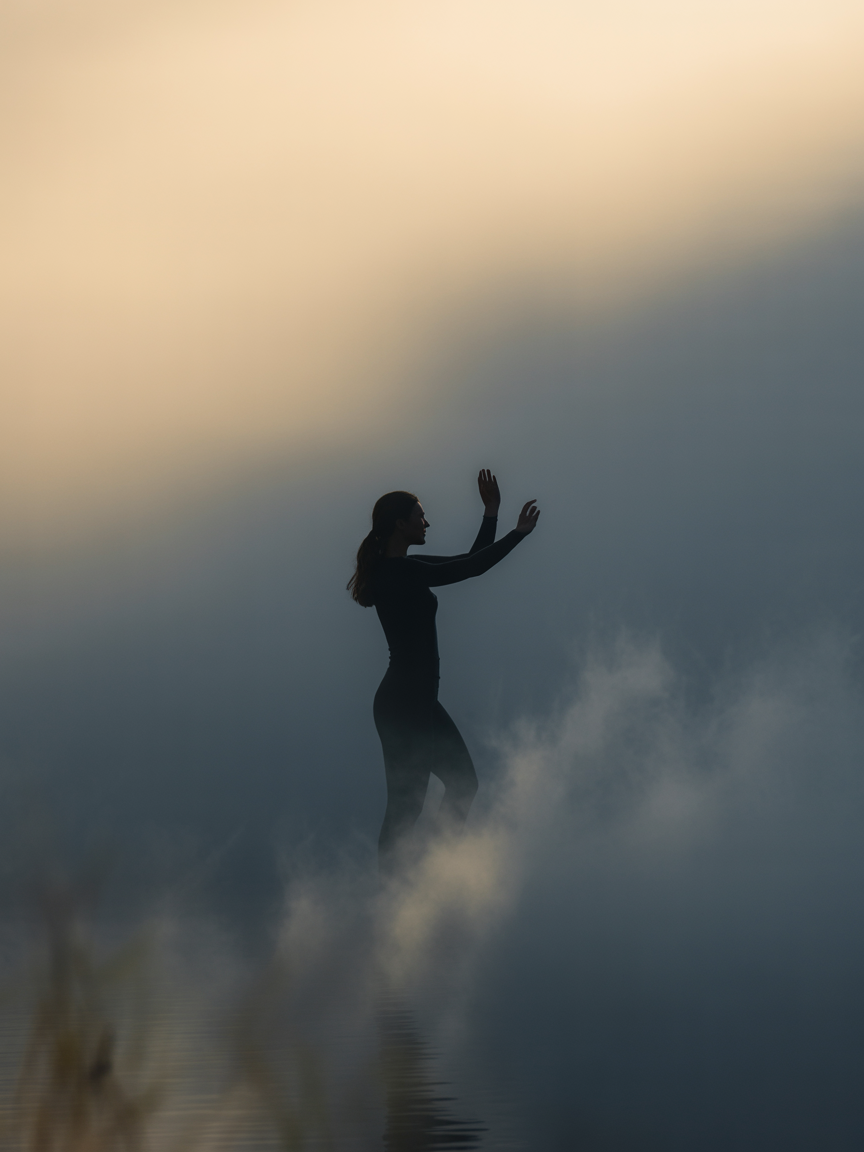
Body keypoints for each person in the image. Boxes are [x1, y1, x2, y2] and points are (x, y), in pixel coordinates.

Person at [348, 470, 540, 874]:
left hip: (415, 700)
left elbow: (468, 563)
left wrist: (490, 513)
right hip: (404, 704)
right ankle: (395, 890)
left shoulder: (404, 567)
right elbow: (472, 568)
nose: (426, 522)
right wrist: (517, 532)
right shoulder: (397, 573)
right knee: (407, 804)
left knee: (461, 785)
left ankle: (434, 870)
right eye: (420, 516)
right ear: (400, 524)